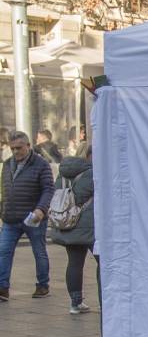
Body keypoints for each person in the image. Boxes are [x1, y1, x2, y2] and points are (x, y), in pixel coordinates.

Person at [0, 131, 54, 301]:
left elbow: (48, 189)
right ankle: (2, 288)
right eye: (13, 148)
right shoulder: (8, 164)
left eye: (19, 148)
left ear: (28, 146)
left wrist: (41, 209)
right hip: (11, 218)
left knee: (39, 252)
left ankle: (42, 285)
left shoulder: (41, 164)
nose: (16, 152)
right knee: (3, 252)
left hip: (34, 217)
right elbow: (5, 190)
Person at [48, 143, 99, 314]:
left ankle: (75, 303)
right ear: (89, 155)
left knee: (75, 264)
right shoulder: (92, 173)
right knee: (103, 263)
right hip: (89, 226)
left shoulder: (62, 173)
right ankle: (104, 300)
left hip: (69, 223)